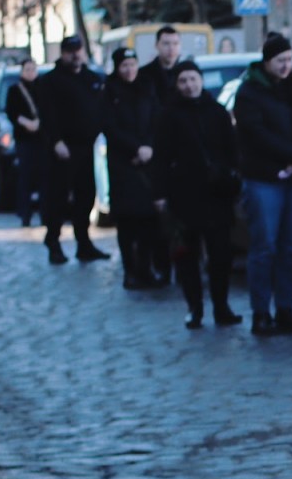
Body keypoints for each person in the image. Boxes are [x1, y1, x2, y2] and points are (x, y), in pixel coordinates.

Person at [232, 32, 292, 334]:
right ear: (267, 61)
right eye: (280, 60)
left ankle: (285, 309)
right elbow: (255, 134)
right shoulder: (249, 93)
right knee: (264, 246)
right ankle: (260, 312)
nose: (285, 66)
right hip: (264, 178)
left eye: (289, 59)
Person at [156, 60, 242, 329]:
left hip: (216, 194)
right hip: (184, 196)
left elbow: (233, 150)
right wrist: (160, 193)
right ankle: (194, 307)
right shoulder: (169, 115)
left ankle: (221, 305)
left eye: (192, 79)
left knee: (220, 255)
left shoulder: (217, 112)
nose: (189, 85)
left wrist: (230, 176)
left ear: (201, 80)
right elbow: (160, 157)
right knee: (186, 256)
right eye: (183, 81)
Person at [35, 34, 109, 265]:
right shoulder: (50, 81)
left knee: (85, 197)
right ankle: (54, 242)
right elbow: (46, 114)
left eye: (79, 50)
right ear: (63, 53)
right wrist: (55, 141)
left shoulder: (92, 78)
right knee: (57, 198)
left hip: (87, 146)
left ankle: (83, 243)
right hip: (61, 149)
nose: (75, 55)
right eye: (70, 51)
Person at [102, 47, 163, 289]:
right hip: (123, 163)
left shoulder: (147, 87)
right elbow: (109, 126)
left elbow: (157, 119)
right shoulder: (109, 91)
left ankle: (146, 268)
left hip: (148, 162)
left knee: (149, 220)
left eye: (132, 65)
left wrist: (148, 147)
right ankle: (130, 271)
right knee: (127, 221)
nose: (129, 71)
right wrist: (135, 149)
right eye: (124, 66)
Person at [5, 56, 47, 226]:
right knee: (25, 177)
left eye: (33, 69)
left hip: (42, 138)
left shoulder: (43, 87)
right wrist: (26, 123)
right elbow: (11, 112)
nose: (31, 73)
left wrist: (40, 123)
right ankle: (25, 213)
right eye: (27, 69)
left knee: (45, 177)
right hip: (24, 139)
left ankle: (45, 213)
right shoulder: (15, 90)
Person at [138, 25, 185, 109]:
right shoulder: (143, 75)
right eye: (166, 44)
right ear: (157, 45)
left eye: (175, 44)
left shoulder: (185, 73)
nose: (171, 48)